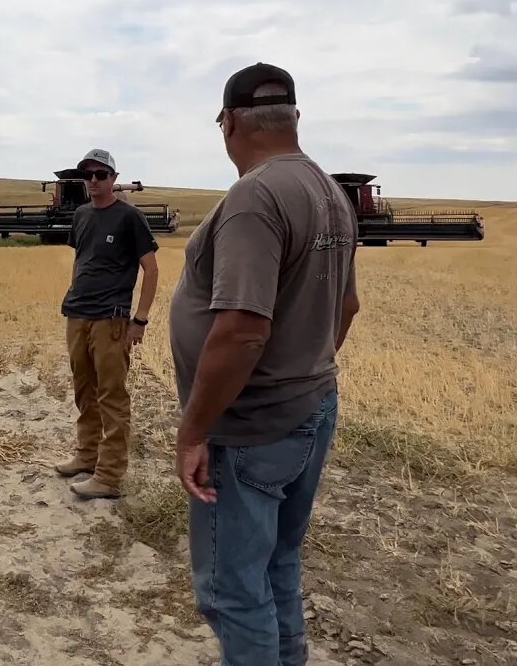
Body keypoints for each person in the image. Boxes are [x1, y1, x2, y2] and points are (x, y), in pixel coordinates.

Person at [169, 62, 361, 666]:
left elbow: (243, 330)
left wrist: (196, 429)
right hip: (310, 407)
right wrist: (303, 373)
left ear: (229, 123)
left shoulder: (255, 196)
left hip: (251, 426)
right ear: (294, 117)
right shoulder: (328, 190)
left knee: (232, 591)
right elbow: (347, 306)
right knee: (278, 562)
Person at [55, 147, 160, 500]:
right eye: (88, 175)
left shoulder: (129, 217)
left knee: (111, 396)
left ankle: (109, 475)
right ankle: (86, 456)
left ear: (114, 179)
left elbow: (151, 269)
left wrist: (139, 321)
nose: (94, 181)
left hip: (111, 319)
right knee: (84, 390)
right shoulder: (82, 215)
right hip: (78, 314)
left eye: (101, 175)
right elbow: (80, 260)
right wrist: (72, 296)